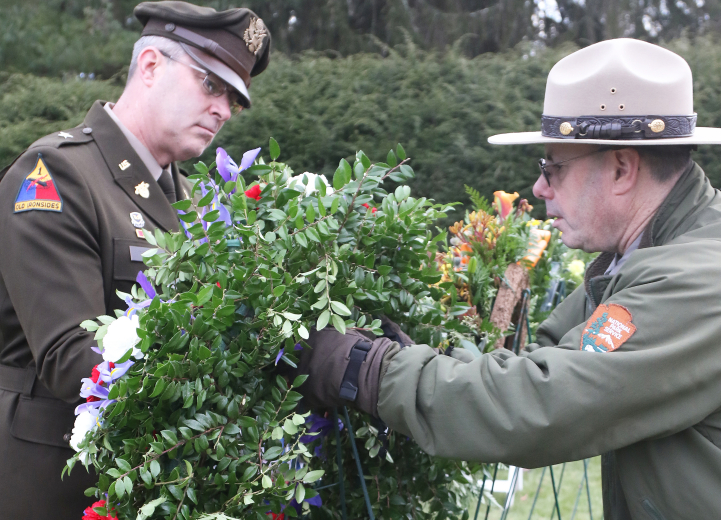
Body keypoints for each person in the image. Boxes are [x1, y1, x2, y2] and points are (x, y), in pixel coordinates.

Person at [294, 39, 721, 519]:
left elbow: (544, 402)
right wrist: (412, 354)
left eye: (553, 168)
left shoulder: (699, 281)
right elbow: (539, 363)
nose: (539, 188)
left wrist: (366, 370)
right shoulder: (641, 260)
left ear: (622, 168)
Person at [0, 2, 271, 519]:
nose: (223, 110)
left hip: (162, 478)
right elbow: (72, 358)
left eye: (234, 100)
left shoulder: (197, 203)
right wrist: (226, 367)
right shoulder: (54, 175)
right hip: (57, 484)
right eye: (210, 84)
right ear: (151, 65)